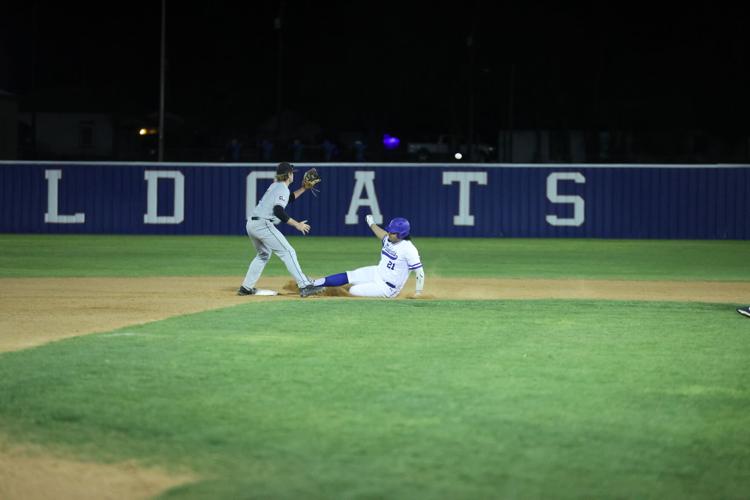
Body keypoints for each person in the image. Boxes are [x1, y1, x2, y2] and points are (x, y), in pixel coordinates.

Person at [238, 161, 324, 298]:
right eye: (292, 173)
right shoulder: (282, 188)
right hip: (262, 225)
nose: (293, 175)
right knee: (288, 251)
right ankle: (305, 286)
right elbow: (278, 211)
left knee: (263, 255)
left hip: (252, 224)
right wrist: (297, 224)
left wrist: (303, 189)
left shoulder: (276, 186)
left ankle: (246, 288)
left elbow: (287, 199)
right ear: (289, 174)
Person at [311, 215, 424, 298]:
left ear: (402, 234)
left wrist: (418, 292)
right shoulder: (390, 239)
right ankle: (312, 284)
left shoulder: (409, 249)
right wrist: (371, 223)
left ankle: (329, 290)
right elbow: (381, 234)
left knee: (354, 290)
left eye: (392, 232)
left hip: (387, 288)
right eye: (389, 230)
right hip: (377, 272)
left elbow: (420, 272)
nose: (389, 233)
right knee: (350, 276)